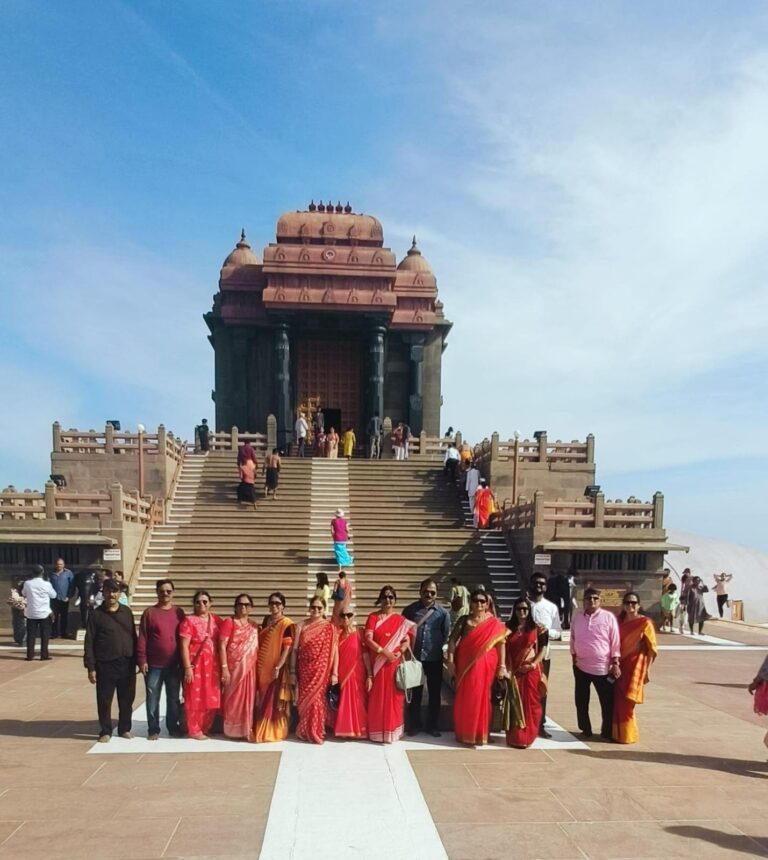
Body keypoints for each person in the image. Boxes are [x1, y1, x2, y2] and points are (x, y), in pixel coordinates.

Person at [447, 588, 508, 745]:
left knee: (483, 698)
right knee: (467, 698)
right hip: (466, 666)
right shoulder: (464, 620)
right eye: (476, 601)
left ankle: (482, 733)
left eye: (483, 601)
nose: (479, 604)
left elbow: (501, 644)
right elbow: (453, 640)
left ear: (487, 604)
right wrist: (450, 661)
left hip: (487, 666)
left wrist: (502, 666)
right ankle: (465, 732)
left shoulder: (493, 623)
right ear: (471, 603)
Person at [84, 579, 137, 742]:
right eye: (108, 591)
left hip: (126, 663)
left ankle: (124, 728)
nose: (111, 594)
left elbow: (133, 636)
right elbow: (89, 642)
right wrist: (91, 667)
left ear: (119, 593)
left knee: (127, 699)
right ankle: (105, 730)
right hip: (105, 664)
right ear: (104, 593)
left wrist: (138, 659)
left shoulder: (126, 612)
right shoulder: (96, 615)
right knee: (105, 699)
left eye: (115, 591)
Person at [364, 586, 415, 743]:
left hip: (394, 664)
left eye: (391, 597)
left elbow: (406, 640)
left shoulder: (400, 620)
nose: (388, 600)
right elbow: (368, 639)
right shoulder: (373, 617)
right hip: (378, 664)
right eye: (385, 597)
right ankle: (376, 732)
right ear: (380, 599)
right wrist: (383, 651)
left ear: (395, 600)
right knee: (377, 697)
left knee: (394, 698)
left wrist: (400, 652)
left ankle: (393, 732)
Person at [137, 578, 185, 740]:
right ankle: (153, 729)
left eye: (169, 591)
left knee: (173, 698)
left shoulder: (179, 612)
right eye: (162, 591)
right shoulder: (149, 613)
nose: (165, 594)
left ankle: (173, 726)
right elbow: (142, 637)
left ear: (173, 593)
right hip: (154, 665)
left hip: (174, 665)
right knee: (152, 698)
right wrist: (142, 660)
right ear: (157, 592)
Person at [570, 587, 621, 740]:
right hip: (581, 666)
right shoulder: (577, 617)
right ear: (583, 601)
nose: (591, 601)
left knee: (606, 703)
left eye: (595, 598)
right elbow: (573, 638)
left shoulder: (608, 617)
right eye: (588, 599)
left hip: (603, 668)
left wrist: (616, 662)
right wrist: (573, 656)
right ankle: (585, 729)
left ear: (600, 601)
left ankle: (606, 731)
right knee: (581, 701)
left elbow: (615, 641)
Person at [403, 578, 451, 737]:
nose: (429, 594)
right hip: (415, 658)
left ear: (436, 594)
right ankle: (414, 724)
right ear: (420, 591)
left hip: (434, 658)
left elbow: (445, 634)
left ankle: (432, 725)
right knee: (415, 692)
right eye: (426, 591)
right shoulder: (410, 611)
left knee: (434, 692)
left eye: (432, 592)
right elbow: (403, 632)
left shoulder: (442, 613)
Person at [290, 597, 339, 744]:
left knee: (317, 700)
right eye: (313, 607)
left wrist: (335, 672)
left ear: (324, 610)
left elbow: (335, 651)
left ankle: (316, 731)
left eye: (319, 608)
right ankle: (304, 730)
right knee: (305, 701)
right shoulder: (301, 626)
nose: (316, 610)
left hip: (321, 670)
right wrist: (292, 671)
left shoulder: (329, 627)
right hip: (304, 670)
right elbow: (294, 650)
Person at [612, 592, 657, 744]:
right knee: (617, 700)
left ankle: (628, 735)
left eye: (633, 603)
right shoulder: (618, 621)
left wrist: (647, 670)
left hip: (635, 665)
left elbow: (652, 648)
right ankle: (617, 733)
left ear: (638, 605)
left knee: (628, 701)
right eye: (627, 603)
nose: (630, 605)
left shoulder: (645, 623)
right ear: (623, 605)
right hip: (619, 665)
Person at [179, 590, 221, 740]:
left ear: (210, 603)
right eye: (198, 602)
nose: (202, 604)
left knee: (210, 696)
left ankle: (206, 726)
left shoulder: (216, 620)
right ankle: (195, 729)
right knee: (195, 696)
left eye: (205, 601)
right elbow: (184, 646)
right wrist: (187, 667)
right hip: (196, 665)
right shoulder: (189, 621)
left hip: (213, 665)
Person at [252, 592, 294, 742]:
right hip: (262, 665)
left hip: (277, 667)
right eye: (271, 603)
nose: (274, 606)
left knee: (274, 700)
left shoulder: (286, 623)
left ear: (283, 606)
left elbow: (287, 648)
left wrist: (278, 666)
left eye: (277, 603)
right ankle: (261, 728)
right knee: (262, 697)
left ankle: (273, 731)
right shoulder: (266, 620)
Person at [506, 598, 547, 749]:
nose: (522, 612)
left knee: (531, 703)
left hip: (531, 671)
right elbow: (505, 650)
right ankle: (515, 737)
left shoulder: (538, 628)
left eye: (525, 609)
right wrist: (508, 668)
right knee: (515, 703)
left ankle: (528, 736)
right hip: (515, 671)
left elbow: (542, 649)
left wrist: (532, 664)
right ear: (514, 610)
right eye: (519, 609)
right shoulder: (508, 628)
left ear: (530, 611)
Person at [219, 593, 259, 740]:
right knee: (233, 699)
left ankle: (246, 729)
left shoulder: (254, 625)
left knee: (248, 698)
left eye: (247, 605)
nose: (243, 607)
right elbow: (222, 646)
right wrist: (224, 668)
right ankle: (232, 730)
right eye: (240, 604)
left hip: (249, 669)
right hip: (233, 668)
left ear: (251, 608)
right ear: (235, 607)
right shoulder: (229, 622)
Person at [527, 573, 561, 738]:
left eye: (542, 583)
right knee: (523, 690)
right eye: (536, 583)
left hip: (544, 656)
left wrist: (545, 630)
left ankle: (540, 725)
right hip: (524, 656)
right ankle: (523, 722)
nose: (538, 586)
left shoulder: (551, 607)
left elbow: (558, 632)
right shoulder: (523, 604)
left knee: (541, 689)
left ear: (546, 587)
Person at [334, 608, 369, 738]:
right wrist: (335, 673)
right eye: (343, 615)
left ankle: (360, 730)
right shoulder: (337, 635)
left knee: (358, 700)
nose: (346, 618)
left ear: (354, 616)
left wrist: (370, 674)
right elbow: (335, 655)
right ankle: (345, 729)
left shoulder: (360, 633)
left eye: (349, 615)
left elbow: (365, 655)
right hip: (343, 672)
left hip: (358, 672)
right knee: (345, 700)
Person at [22, 564, 56, 661]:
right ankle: (44, 655)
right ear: (42, 573)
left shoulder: (27, 583)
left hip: (31, 613)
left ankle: (30, 655)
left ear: (32, 573)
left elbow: (24, 593)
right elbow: (54, 595)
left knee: (31, 635)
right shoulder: (47, 584)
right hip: (44, 613)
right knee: (45, 635)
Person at [49, 557, 75, 639]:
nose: (59, 565)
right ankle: (54, 633)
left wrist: (69, 596)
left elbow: (72, 586)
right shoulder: (51, 573)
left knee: (64, 617)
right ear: (55, 565)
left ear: (64, 565)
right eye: (58, 564)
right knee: (54, 617)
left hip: (64, 599)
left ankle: (64, 633)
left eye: (61, 564)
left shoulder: (69, 573)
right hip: (54, 599)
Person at [74, 566, 96, 630]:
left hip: (91, 596)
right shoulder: (79, 577)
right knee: (83, 609)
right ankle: (84, 623)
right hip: (82, 595)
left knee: (91, 610)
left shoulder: (94, 577)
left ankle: (90, 624)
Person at [7, 577, 27, 646]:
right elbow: (9, 600)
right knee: (16, 624)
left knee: (23, 624)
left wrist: (23, 607)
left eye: (21, 584)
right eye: (18, 583)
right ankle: (18, 638)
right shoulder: (13, 592)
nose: (19, 585)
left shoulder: (26, 591)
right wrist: (14, 602)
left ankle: (23, 640)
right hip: (15, 609)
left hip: (25, 610)